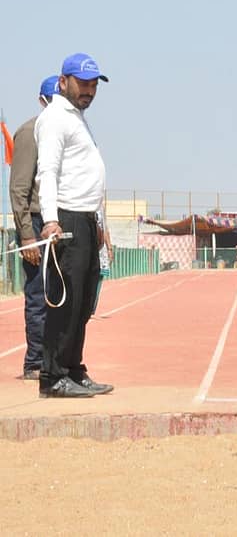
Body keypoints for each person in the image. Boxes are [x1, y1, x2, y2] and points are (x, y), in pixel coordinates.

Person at [35, 53, 114, 398]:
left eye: (94, 84)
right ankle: (52, 376)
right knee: (64, 301)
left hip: (85, 219)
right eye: (83, 83)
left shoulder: (77, 117)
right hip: (65, 217)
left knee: (82, 303)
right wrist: (51, 219)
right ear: (63, 81)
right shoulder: (55, 118)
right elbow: (47, 172)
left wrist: (98, 221)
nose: (89, 90)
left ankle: (73, 368)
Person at [9, 75, 57, 380]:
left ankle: (56, 359)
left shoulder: (65, 132)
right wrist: (26, 232)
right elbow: (19, 188)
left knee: (60, 296)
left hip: (58, 222)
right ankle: (35, 362)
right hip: (36, 223)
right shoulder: (29, 133)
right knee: (39, 295)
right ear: (43, 101)